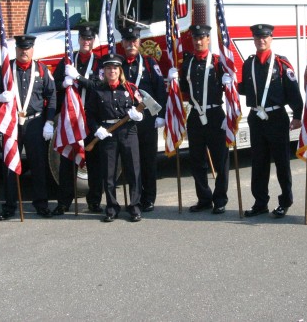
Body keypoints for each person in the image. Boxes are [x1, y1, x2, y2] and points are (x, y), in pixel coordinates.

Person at [237, 24, 303, 218]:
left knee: (282, 162)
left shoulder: (281, 64)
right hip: (257, 118)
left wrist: (298, 115)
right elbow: (246, 89)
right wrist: (231, 85)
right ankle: (260, 202)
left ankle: (285, 201)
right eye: (257, 38)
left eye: (265, 37)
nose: (261, 40)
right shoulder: (248, 64)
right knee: (258, 162)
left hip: (276, 117)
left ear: (271, 38)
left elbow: (292, 90)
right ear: (254, 40)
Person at [0, 34, 57, 220]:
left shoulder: (42, 70)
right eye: (20, 49)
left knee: (38, 165)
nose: (24, 52)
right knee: (10, 166)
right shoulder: (6, 69)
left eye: (27, 49)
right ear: (16, 50)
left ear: (32, 50)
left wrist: (49, 121)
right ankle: (9, 206)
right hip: (12, 124)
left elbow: (51, 95)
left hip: (35, 123)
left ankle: (41, 204)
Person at [169, 24, 229, 214]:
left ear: (208, 39)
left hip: (214, 114)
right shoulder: (188, 63)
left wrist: (230, 81)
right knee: (197, 160)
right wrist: (174, 82)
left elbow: (230, 91)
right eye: (195, 38)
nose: (198, 41)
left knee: (221, 161)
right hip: (195, 115)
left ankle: (220, 199)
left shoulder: (218, 62)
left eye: (202, 37)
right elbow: (185, 91)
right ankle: (204, 198)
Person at [51, 25, 104, 215]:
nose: (86, 42)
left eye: (89, 38)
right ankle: (64, 202)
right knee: (67, 162)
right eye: (83, 38)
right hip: (71, 120)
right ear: (79, 39)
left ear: (94, 40)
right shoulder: (67, 61)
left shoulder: (99, 63)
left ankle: (94, 201)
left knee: (94, 163)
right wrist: (62, 83)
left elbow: (99, 86)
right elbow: (53, 86)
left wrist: (79, 78)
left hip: (91, 118)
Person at [85, 53, 144, 223]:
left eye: (115, 68)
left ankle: (134, 207)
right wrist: (97, 129)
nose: (112, 71)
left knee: (133, 171)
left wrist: (138, 116)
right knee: (108, 174)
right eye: (109, 68)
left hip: (128, 132)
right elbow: (90, 115)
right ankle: (111, 207)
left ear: (120, 70)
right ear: (103, 71)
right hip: (108, 134)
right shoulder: (97, 91)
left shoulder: (130, 89)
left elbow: (143, 108)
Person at [120, 26, 167, 212]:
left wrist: (161, 116)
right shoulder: (119, 65)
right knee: (131, 163)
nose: (131, 44)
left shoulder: (149, 63)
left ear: (139, 42)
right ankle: (135, 199)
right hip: (127, 121)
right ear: (122, 43)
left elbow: (160, 90)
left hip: (147, 121)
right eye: (128, 41)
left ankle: (149, 198)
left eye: (134, 41)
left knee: (148, 161)